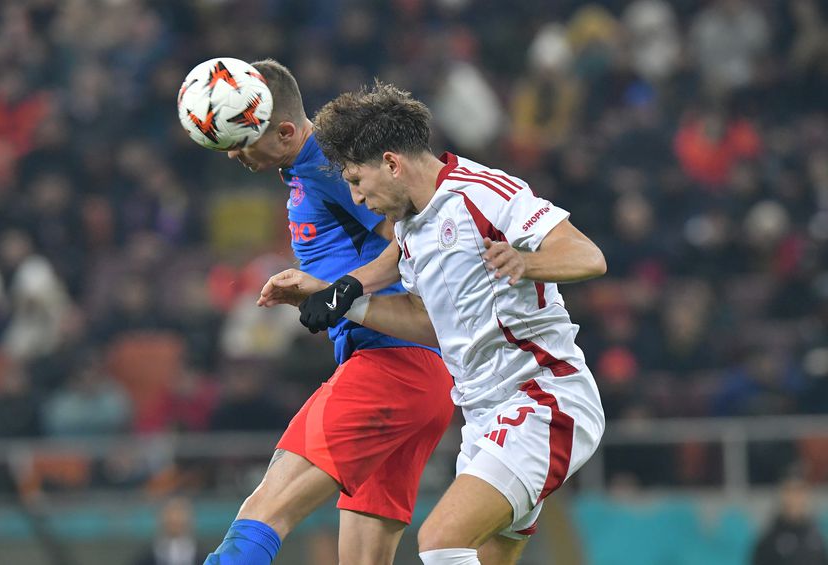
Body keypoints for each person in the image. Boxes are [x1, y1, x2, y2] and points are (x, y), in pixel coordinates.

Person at [260, 81, 607, 565]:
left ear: (392, 164)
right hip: (484, 418)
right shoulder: (411, 225)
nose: (357, 199)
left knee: (441, 539)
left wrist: (527, 262)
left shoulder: (482, 195)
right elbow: (427, 323)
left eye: (357, 181)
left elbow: (586, 255)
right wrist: (341, 297)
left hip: (544, 399)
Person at [200, 61, 455, 565]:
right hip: (421, 376)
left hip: (391, 366)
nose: (233, 152)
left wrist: (342, 289)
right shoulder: (308, 169)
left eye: (242, 137)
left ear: (287, 131)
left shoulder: (329, 170)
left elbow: (412, 242)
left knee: (265, 507)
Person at [751, 474, 828, 565]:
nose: (795, 498)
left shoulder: (816, 537)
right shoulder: (769, 540)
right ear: (782, 496)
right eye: (791, 492)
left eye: (800, 492)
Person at [133, 497, 207, 565]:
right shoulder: (146, 556)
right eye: (170, 516)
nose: (175, 520)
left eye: (179, 516)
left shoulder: (203, 556)